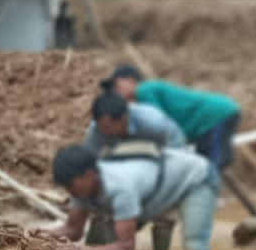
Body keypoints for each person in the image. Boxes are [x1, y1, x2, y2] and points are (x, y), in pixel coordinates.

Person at [47, 144, 220, 250]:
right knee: (105, 245)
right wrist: (40, 235)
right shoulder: (80, 187)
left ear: (90, 175)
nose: (68, 191)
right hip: (154, 188)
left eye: (70, 185)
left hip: (196, 178)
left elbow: (126, 247)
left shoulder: (120, 188)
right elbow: (74, 230)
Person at [102, 64, 241, 171]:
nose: (115, 92)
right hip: (206, 123)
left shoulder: (144, 90)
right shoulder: (143, 97)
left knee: (213, 165)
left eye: (116, 86)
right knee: (203, 166)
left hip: (215, 116)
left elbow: (159, 122)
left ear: (131, 80)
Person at [82, 91, 187, 155]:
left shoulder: (153, 121)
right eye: (101, 127)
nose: (104, 131)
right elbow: (90, 158)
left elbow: (178, 146)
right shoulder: (96, 129)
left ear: (124, 118)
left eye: (108, 127)